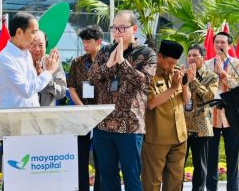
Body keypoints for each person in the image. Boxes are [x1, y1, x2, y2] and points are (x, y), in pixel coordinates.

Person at [88, 10, 157, 191]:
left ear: (134, 28)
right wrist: (109, 64)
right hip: (103, 125)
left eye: (122, 28)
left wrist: (122, 62)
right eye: (114, 28)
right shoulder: (104, 52)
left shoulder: (147, 53)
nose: (117, 32)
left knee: (132, 177)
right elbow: (92, 78)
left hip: (130, 126)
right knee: (107, 177)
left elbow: (146, 83)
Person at [141, 39, 191, 191]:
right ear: (159, 56)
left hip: (179, 136)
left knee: (175, 182)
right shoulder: (148, 74)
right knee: (152, 182)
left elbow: (185, 101)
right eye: (169, 62)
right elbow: (151, 103)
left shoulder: (175, 73)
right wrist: (173, 87)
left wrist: (184, 84)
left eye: (175, 63)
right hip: (157, 138)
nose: (172, 66)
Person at [0, 12, 59, 108]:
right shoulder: (5, 58)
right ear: (19, 32)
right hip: (13, 118)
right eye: (33, 32)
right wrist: (49, 72)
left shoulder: (26, 53)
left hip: (31, 116)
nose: (35, 38)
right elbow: (26, 90)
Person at [67, 25, 103, 191]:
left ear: (99, 41)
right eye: (83, 41)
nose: (85, 44)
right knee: (80, 157)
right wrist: (82, 108)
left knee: (101, 158)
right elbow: (72, 87)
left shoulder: (108, 62)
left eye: (88, 41)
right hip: (82, 116)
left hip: (103, 116)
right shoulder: (77, 62)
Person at [205, 32, 239, 191]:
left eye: (223, 43)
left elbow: (237, 88)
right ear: (213, 45)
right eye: (217, 42)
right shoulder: (206, 64)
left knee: (233, 158)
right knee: (211, 157)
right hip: (211, 116)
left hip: (232, 116)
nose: (220, 45)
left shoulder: (236, 64)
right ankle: (211, 188)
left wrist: (223, 75)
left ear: (229, 45)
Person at [184, 44, 218, 191]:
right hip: (182, 127)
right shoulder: (182, 74)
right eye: (189, 55)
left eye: (195, 55)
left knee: (200, 167)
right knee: (177, 167)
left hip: (201, 128)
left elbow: (209, 97)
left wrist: (194, 81)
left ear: (202, 57)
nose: (191, 58)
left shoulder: (212, 76)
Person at [29, 30, 66, 106]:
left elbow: (62, 93)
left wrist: (46, 78)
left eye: (41, 45)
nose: (37, 49)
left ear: (46, 46)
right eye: (33, 45)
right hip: (25, 112)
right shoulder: (21, 63)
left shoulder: (54, 63)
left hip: (47, 114)